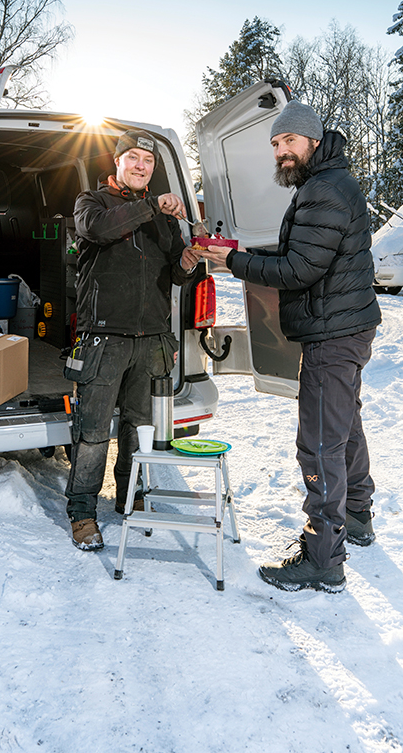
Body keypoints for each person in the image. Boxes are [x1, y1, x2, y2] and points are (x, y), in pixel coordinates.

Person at [206, 99, 381, 593]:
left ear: (313, 140)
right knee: (343, 425)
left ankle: (324, 559)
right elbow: (301, 251)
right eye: (276, 143)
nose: (281, 151)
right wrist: (242, 253)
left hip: (333, 332)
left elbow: (299, 269)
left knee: (320, 442)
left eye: (289, 141)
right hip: (345, 326)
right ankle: (357, 515)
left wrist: (232, 263)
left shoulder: (323, 190)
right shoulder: (327, 182)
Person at [64, 129, 207, 550]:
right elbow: (100, 230)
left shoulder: (165, 218)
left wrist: (188, 259)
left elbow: (176, 273)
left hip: (151, 339)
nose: (141, 166)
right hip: (104, 338)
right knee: (93, 432)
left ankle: (131, 497)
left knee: (138, 428)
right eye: (134, 158)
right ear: (118, 161)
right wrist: (151, 205)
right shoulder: (92, 203)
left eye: (148, 161)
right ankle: (82, 513)